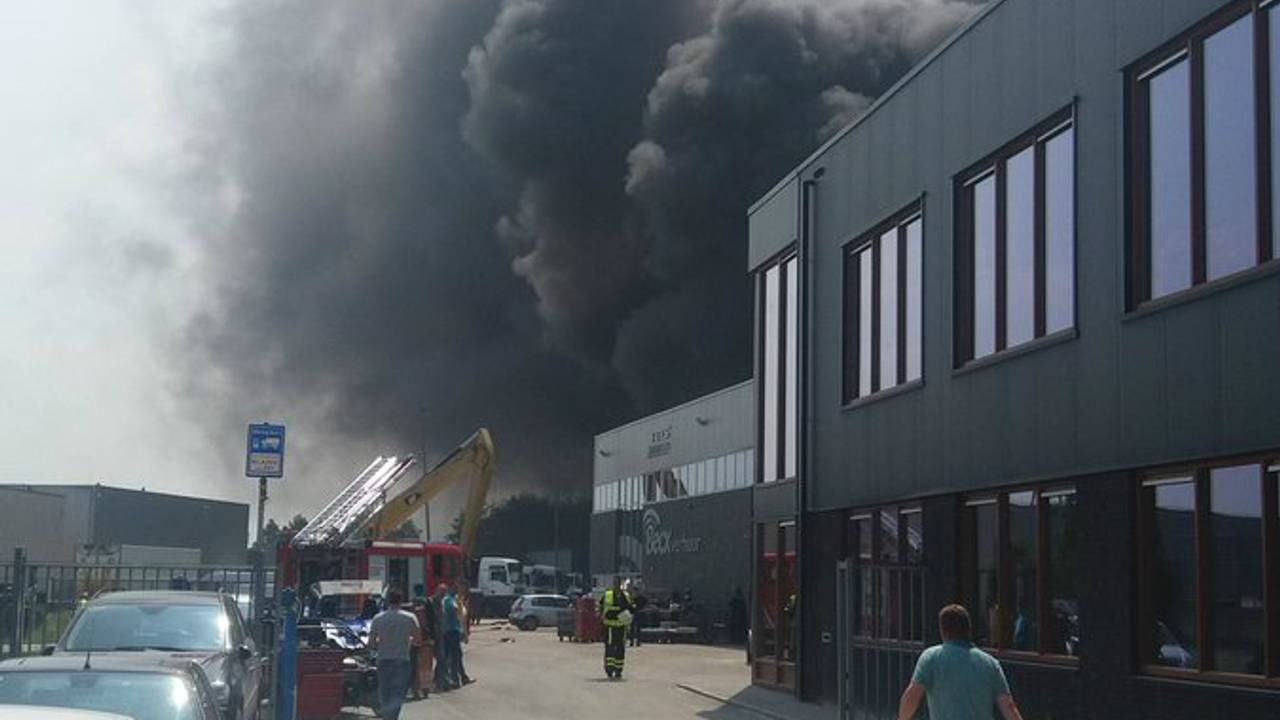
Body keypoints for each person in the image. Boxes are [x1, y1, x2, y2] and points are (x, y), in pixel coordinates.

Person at [897, 604, 1025, 720]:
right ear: (968, 629)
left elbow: (912, 696)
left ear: (942, 630)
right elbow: (1008, 706)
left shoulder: (931, 658)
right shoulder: (990, 663)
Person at [368, 589, 420, 720]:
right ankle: (393, 717)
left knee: (385, 692)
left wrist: (381, 643)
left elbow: (371, 644)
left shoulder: (378, 618)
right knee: (398, 693)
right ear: (401, 601)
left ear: (387, 601)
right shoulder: (410, 618)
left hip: (384, 659)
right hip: (402, 660)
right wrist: (408, 641)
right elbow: (418, 641)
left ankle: (388, 716)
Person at [601, 577, 634, 679]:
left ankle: (618, 670)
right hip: (610, 627)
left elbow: (630, 609)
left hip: (621, 627)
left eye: (618, 583)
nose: (617, 585)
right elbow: (601, 608)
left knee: (620, 648)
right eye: (615, 583)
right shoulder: (607, 595)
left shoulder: (626, 596)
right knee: (610, 648)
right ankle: (609, 669)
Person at [410, 592, 435, 700]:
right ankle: (421, 690)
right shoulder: (424, 614)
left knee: (422, 668)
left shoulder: (415, 614)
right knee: (423, 668)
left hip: (422, 643)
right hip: (421, 643)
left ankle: (421, 689)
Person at [627, 580, 647, 648]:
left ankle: (638, 641)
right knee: (632, 628)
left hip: (639, 614)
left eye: (636, 590)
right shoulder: (632, 598)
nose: (636, 592)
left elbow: (644, 605)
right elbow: (629, 606)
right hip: (633, 614)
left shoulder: (642, 598)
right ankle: (631, 641)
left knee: (638, 628)